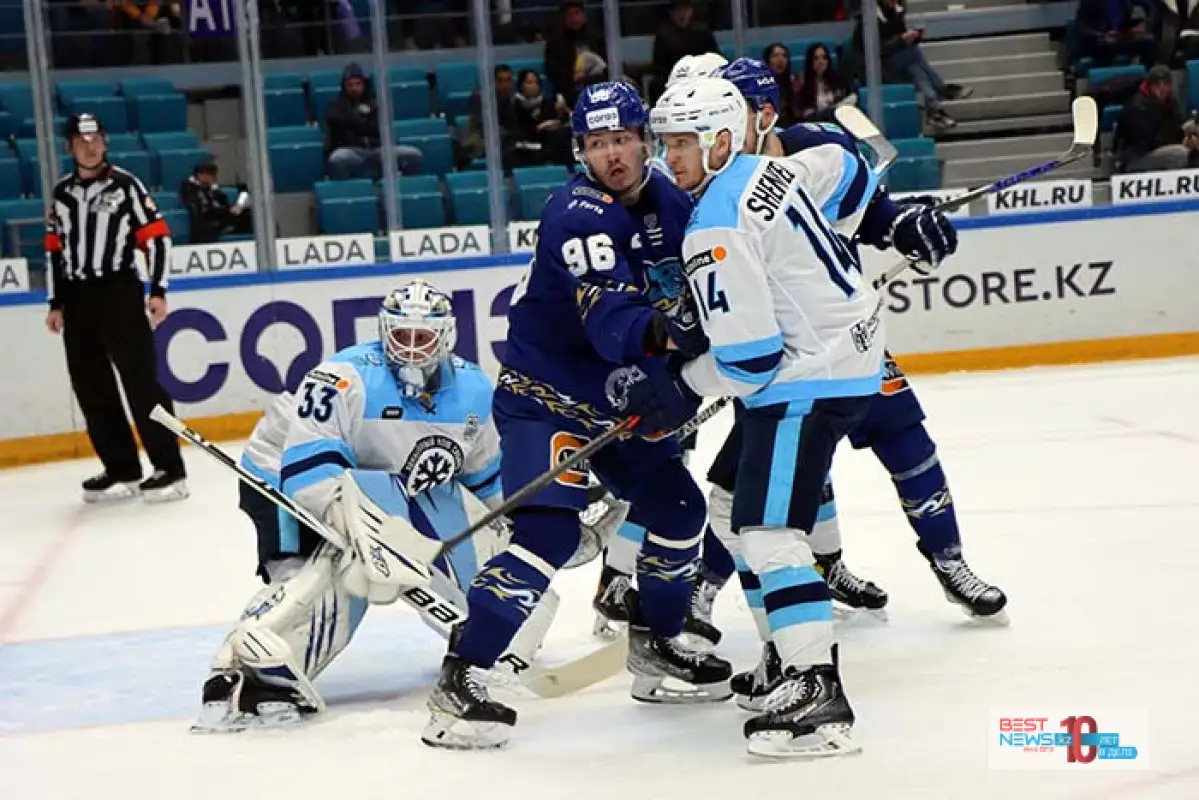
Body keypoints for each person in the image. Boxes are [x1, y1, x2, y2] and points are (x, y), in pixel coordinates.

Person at [642, 75, 958, 757]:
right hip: (843, 357)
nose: (669, 160)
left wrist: (680, 385)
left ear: (721, 140)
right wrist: (895, 218)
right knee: (729, 505)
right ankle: (784, 658)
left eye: (680, 144)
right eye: (663, 144)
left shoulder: (713, 226)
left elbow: (750, 361)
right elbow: (847, 169)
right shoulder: (767, 169)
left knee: (765, 529)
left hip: (805, 379)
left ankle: (815, 690)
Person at [423, 81, 730, 752]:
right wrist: (676, 344)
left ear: (644, 140)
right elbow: (611, 319)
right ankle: (464, 674)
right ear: (581, 152)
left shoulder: (673, 202)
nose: (612, 156)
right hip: (546, 397)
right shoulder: (579, 212)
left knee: (678, 512)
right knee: (549, 536)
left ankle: (655, 647)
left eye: (622, 139)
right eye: (597, 144)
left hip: (616, 398)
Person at [716, 57, 1007, 706]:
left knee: (907, 440)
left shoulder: (815, 152)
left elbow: (874, 213)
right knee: (763, 490)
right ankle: (801, 579)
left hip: (849, 345)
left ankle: (947, 560)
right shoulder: (713, 188)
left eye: (735, 114)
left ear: (764, 114)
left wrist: (905, 226)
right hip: (780, 365)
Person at [194, 280, 522, 732]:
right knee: (321, 573)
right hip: (279, 472)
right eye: (400, 336)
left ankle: (483, 636)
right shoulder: (344, 378)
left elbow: (485, 478)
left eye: (421, 338)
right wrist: (368, 538)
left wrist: (527, 521)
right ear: (383, 332)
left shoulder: (473, 391)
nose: (409, 349)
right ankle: (243, 662)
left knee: (381, 561)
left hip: (372, 484)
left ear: (445, 337)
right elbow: (308, 471)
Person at [45, 113, 188, 504]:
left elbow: (157, 239)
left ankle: (170, 468)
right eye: (81, 140)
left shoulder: (126, 186)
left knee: (141, 382)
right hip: (77, 298)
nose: (90, 147)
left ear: (105, 142)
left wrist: (158, 289)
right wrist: (56, 302)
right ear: (70, 147)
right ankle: (122, 467)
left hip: (118, 292)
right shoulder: (61, 194)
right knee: (92, 386)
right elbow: (55, 252)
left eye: (96, 139)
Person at [325, 62, 423, 180]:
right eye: (350, 85)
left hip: (378, 150)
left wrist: (356, 122)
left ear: (364, 85)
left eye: (357, 84)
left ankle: (404, 189)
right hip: (353, 151)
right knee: (337, 158)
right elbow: (336, 122)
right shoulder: (336, 106)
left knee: (413, 154)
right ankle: (346, 194)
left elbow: (378, 126)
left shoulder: (376, 103)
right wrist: (359, 118)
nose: (354, 88)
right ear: (344, 87)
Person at [1116, 64, 1199, 173]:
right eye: (1157, 85)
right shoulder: (1137, 106)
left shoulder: (1171, 102)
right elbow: (1146, 140)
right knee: (1179, 154)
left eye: (1165, 84)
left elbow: (1178, 126)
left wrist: (1188, 135)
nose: (1162, 88)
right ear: (1149, 86)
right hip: (1137, 158)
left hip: (1162, 150)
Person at [180, 161, 252, 245]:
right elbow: (200, 208)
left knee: (246, 215)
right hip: (204, 220)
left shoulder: (211, 187)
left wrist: (216, 191)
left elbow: (223, 202)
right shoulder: (190, 188)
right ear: (201, 175)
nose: (213, 178)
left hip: (218, 215)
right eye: (211, 175)